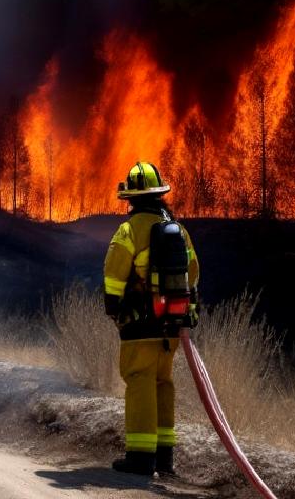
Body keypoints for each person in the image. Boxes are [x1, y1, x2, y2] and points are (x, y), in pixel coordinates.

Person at [103, 161, 199, 477]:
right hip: (171, 325)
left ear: (131, 198)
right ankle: (164, 457)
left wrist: (115, 306)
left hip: (140, 323)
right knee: (163, 383)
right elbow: (193, 272)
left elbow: (114, 276)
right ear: (159, 195)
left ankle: (141, 457)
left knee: (140, 382)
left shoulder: (129, 231)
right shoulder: (178, 230)